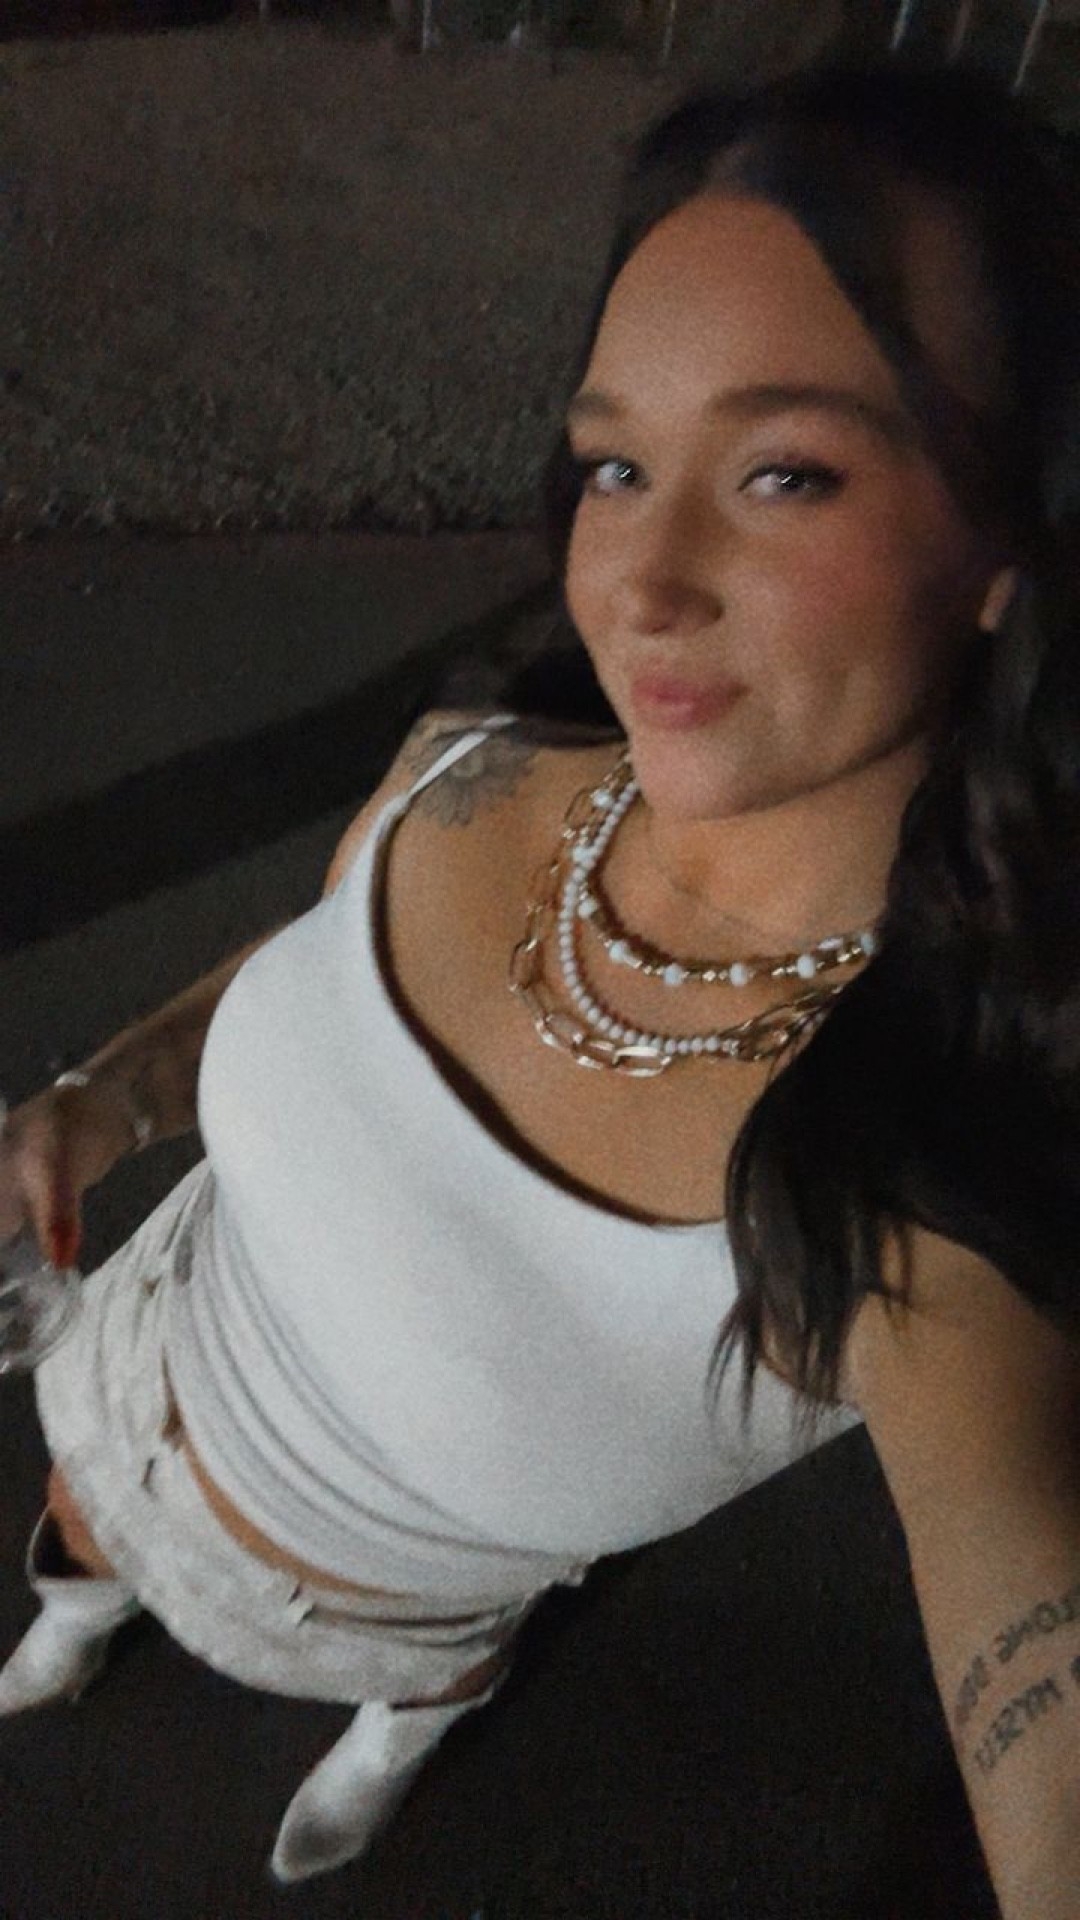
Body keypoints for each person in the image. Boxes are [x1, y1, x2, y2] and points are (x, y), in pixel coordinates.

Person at [2, 58, 1079, 1909]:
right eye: (615, 466)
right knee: (73, 1548)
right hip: (128, 1383)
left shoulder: (921, 1179)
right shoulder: (479, 762)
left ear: (1006, 539)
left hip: (390, 1607)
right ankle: (80, 1608)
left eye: (785, 471)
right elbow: (320, 961)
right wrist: (113, 1091)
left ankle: (403, 1729)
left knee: (405, 1684)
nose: (640, 581)